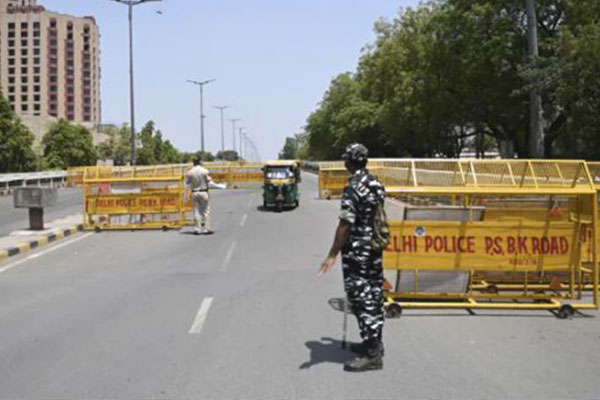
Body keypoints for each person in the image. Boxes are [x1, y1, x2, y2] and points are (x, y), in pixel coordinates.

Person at [317, 143, 386, 372]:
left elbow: (346, 223)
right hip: (374, 247)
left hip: (358, 251)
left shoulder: (354, 186)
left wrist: (332, 254)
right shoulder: (374, 182)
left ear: (351, 161)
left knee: (361, 298)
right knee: (374, 293)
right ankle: (373, 343)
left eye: (346, 159)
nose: (344, 162)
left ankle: (373, 354)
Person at [185, 158, 225, 235]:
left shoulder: (190, 172)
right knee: (205, 211)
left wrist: (185, 196)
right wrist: (221, 186)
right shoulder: (204, 171)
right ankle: (207, 229)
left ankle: (197, 229)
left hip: (194, 193)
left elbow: (187, 185)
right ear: (200, 162)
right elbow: (210, 182)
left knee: (196, 211)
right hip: (204, 192)